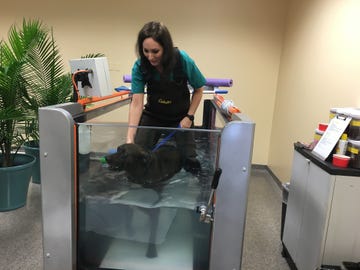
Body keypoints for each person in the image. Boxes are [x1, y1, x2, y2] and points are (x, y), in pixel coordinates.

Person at [126, 21, 206, 173]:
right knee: (138, 155)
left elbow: (199, 89)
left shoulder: (182, 60)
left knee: (190, 160)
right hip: (153, 116)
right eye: (146, 51)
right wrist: (130, 139)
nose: (150, 57)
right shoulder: (140, 66)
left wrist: (189, 116)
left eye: (155, 51)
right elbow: (136, 103)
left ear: (166, 48)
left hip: (180, 117)